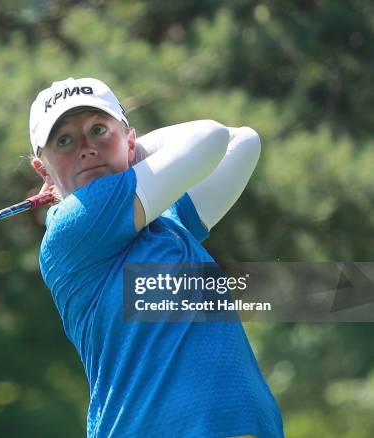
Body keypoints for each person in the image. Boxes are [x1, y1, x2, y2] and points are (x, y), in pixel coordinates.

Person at [29, 77, 284, 438]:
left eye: (99, 130)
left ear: (129, 137)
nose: (87, 148)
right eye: (65, 140)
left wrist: (129, 152)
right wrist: (125, 151)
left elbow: (243, 141)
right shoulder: (75, 225)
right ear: (43, 169)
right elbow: (210, 137)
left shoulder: (165, 219)